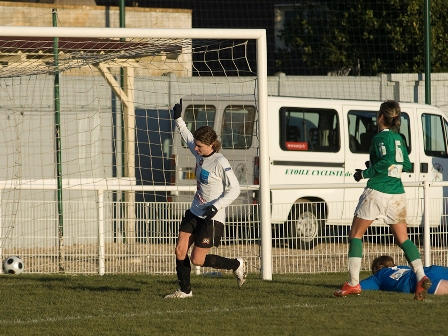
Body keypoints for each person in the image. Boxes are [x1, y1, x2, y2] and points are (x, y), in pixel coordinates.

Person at [334, 100, 431, 301]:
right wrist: (379, 164)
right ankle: (421, 276)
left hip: (377, 190)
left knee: (355, 234)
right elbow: (404, 164)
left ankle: (353, 283)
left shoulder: (380, 137)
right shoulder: (399, 138)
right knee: (403, 239)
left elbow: (387, 161)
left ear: (380, 117)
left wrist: (365, 172)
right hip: (397, 193)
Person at [165, 100, 247, 299]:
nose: (196, 148)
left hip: (212, 217)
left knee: (197, 260)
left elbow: (235, 189)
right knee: (180, 249)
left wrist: (216, 206)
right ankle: (185, 291)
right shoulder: (200, 153)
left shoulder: (220, 162)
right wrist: (178, 119)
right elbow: (187, 138)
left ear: (211, 145)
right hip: (195, 211)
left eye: (200, 146)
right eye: (197, 145)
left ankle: (237, 264)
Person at [360, 255, 448, 295]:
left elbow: (358, 286)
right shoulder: (402, 267)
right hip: (430, 269)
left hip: (414, 279)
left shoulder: (378, 275)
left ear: (377, 268)